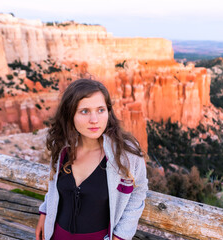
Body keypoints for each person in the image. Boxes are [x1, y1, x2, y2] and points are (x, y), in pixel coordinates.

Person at [35, 79, 148, 240]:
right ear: (70, 114)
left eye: (100, 110)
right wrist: (45, 211)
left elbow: (139, 190)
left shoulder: (125, 153)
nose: (94, 120)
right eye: (85, 111)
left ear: (108, 112)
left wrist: (121, 236)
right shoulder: (63, 148)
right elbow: (53, 185)